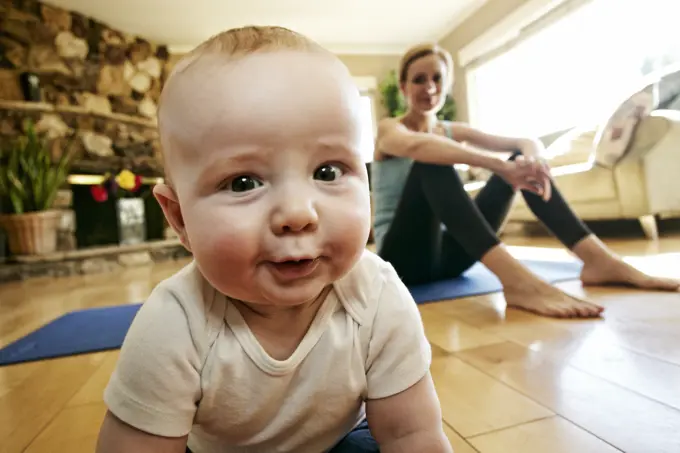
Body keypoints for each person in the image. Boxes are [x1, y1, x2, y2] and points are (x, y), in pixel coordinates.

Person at [95, 27, 452, 453]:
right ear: (179, 218)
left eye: (328, 172)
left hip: (338, 442)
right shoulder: (174, 324)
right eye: (243, 182)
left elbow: (411, 434)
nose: (299, 213)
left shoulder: (376, 296)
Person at [372, 43, 680, 319]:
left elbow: (525, 141)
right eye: (418, 79)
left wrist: (532, 161)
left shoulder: (452, 130)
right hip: (403, 261)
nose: (429, 87)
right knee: (433, 164)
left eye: (437, 79)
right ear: (403, 87)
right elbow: (417, 147)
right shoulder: (389, 129)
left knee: (519, 161)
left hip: (450, 259)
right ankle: (518, 282)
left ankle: (598, 260)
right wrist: (498, 166)